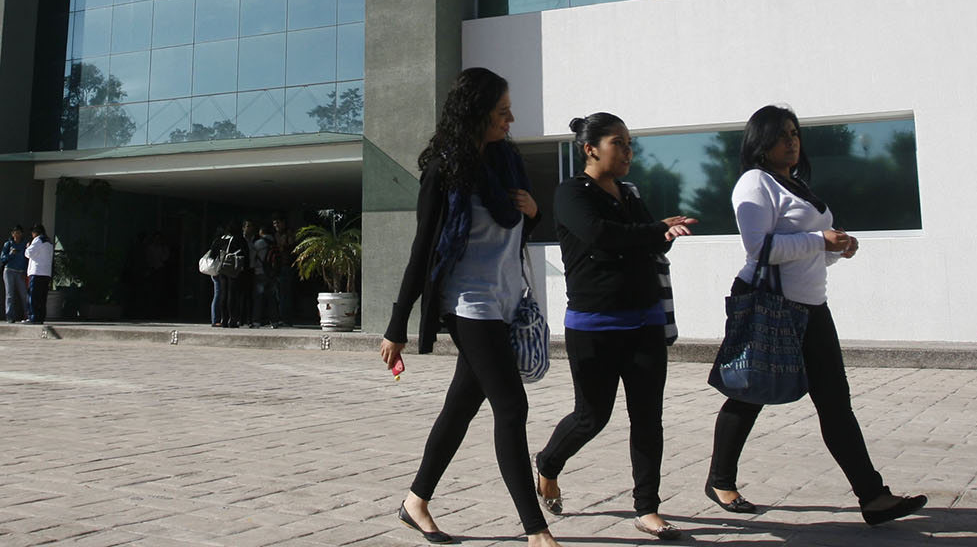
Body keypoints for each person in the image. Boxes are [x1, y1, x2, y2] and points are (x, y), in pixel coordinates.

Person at [704, 105, 926, 526]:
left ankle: (872, 497)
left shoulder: (798, 185)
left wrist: (836, 249)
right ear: (760, 142)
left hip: (812, 306)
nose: (791, 140)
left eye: (794, 133)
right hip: (771, 303)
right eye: (781, 134)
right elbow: (761, 249)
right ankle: (720, 480)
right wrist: (818, 239)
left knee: (834, 403)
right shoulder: (755, 183)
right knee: (751, 391)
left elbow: (808, 254)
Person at [379, 67, 559, 547]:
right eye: (502, 112)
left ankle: (416, 500)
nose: (510, 119)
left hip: (504, 302)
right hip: (468, 303)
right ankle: (535, 530)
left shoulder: (506, 165)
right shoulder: (446, 170)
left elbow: (514, 237)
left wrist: (534, 214)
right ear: (477, 113)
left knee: (461, 406)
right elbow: (423, 249)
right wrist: (397, 325)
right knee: (511, 406)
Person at [534, 114, 697, 540]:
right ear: (590, 148)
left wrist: (660, 232)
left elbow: (642, 238)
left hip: (644, 322)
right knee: (592, 417)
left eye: (629, 144)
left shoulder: (629, 194)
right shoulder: (570, 193)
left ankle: (647, 508)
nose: (628, 152)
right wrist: (656, 230)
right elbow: (600, 235)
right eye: (618, 143)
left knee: (648, 418)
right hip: (594, 326)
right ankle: (548, 464)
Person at [24, 223, 55, 325]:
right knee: (42, 296)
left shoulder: (38, 240)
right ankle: (40, 317)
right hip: (46, 272)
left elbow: (29, 253)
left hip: (36, 271)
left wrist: (28, 247)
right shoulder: (49, 242)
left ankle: (33, 317)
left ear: (35, 232)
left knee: (33, 296)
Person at [266, 215, 292, 326]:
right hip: (276, 267)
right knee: (277, 294)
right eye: (274, 223)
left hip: (285, 266)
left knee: (285, 294)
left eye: (278, 223)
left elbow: (288, 246)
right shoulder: (273, 236)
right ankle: (279, 317)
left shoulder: (288, 234)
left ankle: (285, 318)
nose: (276, 225)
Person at [1, 225, 28, 323]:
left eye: (19, 232)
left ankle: (27, 315)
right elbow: (2, 258)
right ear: (12, 234)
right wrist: (11, 254)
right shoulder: (8, 244)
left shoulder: (25, 244)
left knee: (24, 294)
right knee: (9, 295)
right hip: (9, 271)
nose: (17, 235)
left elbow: (27, 259)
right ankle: (9, 316)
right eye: (15, 233)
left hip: (20, 271)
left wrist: (25, 272)